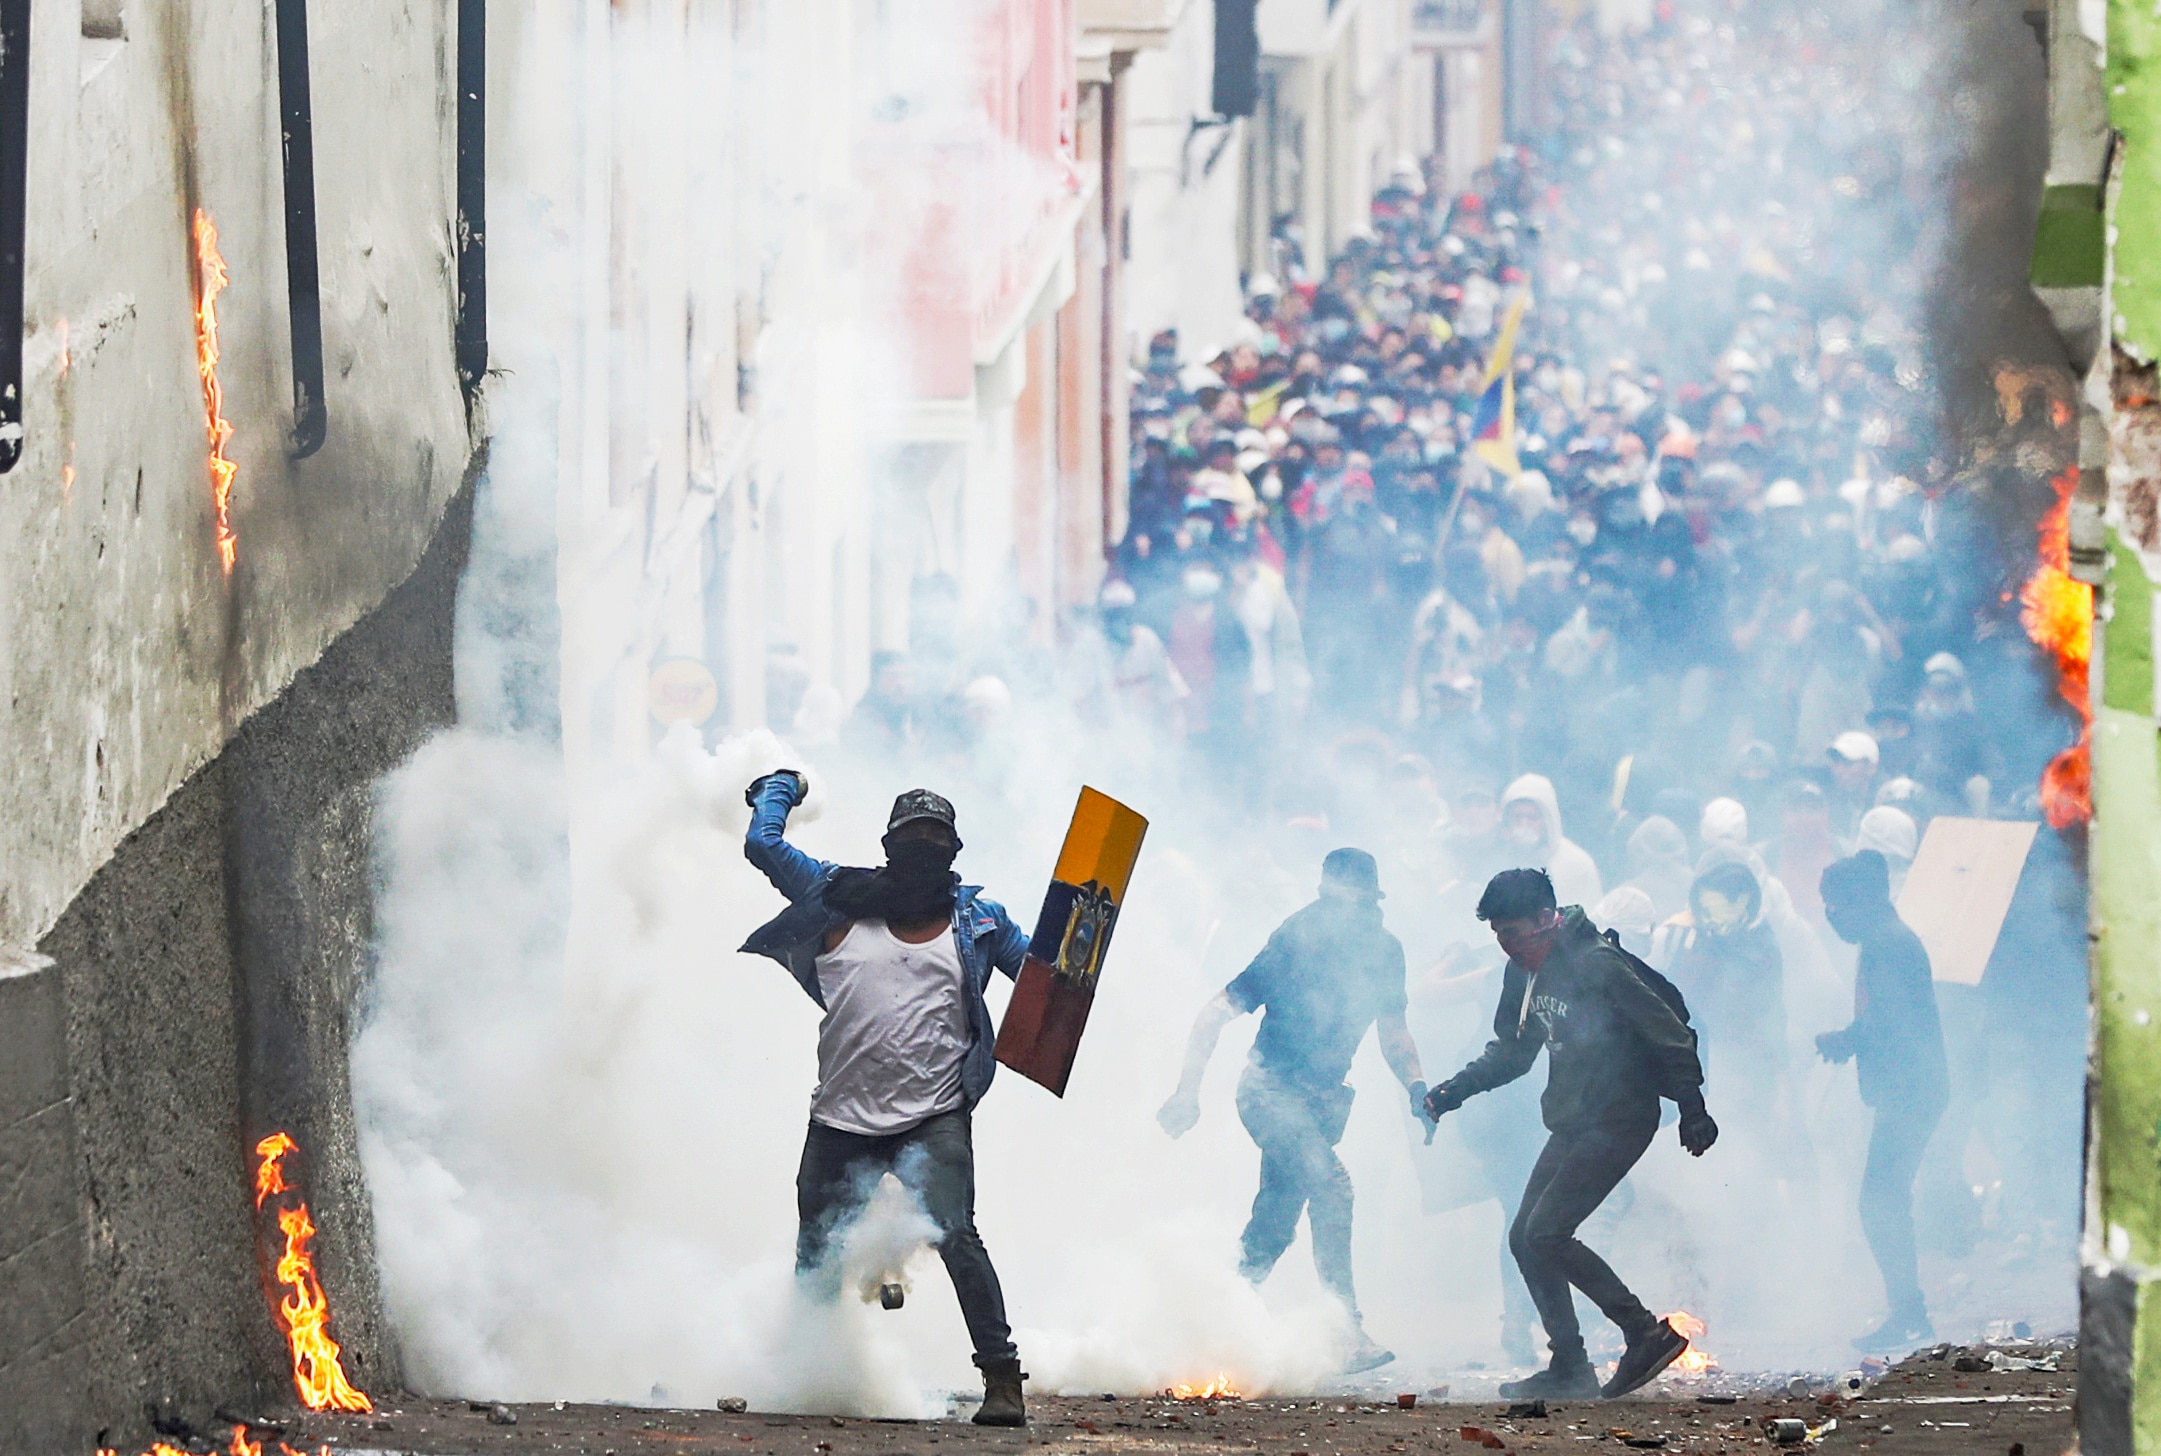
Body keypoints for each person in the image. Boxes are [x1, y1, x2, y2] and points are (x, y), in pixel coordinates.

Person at [738, 774, 1032, 1426]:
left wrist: (1084, 928)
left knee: (956, 1235)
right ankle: (809, 1376)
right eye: (912, 836)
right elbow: (763, 844)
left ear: (953, 852)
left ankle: (1004, 1382)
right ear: (888, 844)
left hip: (933, 1115)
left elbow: (1047, 978)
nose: (923, 847)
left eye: (935, 838)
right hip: (840, 1117)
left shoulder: (980, 922)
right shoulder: (834, 895)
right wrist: (779, 785)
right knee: (818, 1250)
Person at [1424, 868, 1717, 1401]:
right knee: (1525, 1238)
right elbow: (1514, 1052)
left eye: (1513, 933)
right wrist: (1455, 1090)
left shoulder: (1596, 964)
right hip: (1573, 1118)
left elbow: (1670, 1034)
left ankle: (1645, 1333)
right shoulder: (1523, 973)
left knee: (1547, 1233)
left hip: (1622, 1117)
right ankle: (1570, 1367)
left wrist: (1692, 1107)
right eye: (1497, 934)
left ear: (1546, 919)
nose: (1506, 945)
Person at [1157, 848, 1425, 1373]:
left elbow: (1393, 1031)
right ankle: (1344, 1332)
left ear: (1372, 902)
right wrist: (1187, 1092)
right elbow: (1215, 1012)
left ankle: (1213, 1318)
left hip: (1321, 1103)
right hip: (1268, 1092)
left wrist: (1417, 1086)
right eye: (1333, 903)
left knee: (1274, 1221)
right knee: (1332, 1187)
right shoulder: (1295, 938)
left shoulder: (1384, 952)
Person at [1815, 850, 1949, 1353]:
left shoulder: (1889, 945)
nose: (1831, 917)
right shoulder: (1884, 939)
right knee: (1884, 1199)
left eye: (1836, 907)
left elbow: (1889, 1019)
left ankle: (1910, 1314)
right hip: (1909, 1090)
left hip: (1912, 1091)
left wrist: (1846, 1040)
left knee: (1880, 1202)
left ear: (1861, 902)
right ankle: (1908, 1312)